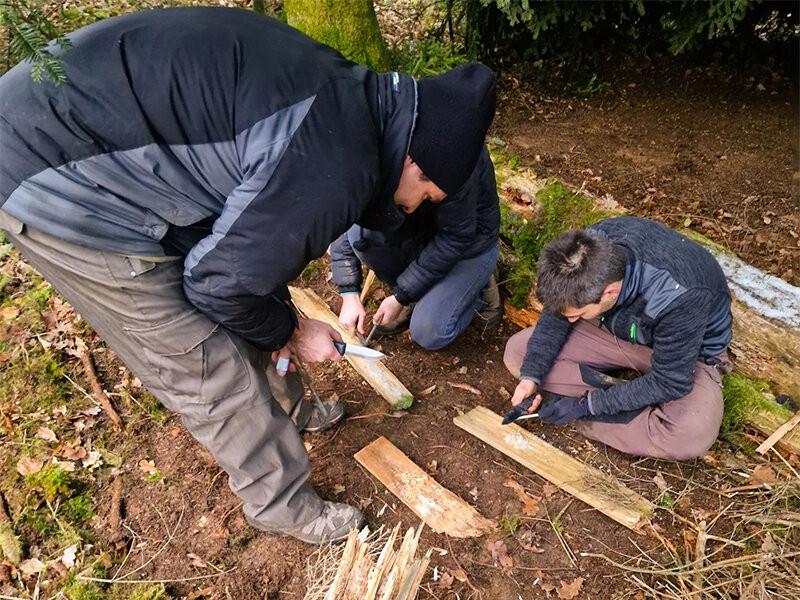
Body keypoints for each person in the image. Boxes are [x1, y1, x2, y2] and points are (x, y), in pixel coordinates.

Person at [0, 7, 496, 543]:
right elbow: (218, 287)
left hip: (113, 147)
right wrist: (293, 331)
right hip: (55, 175)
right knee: (203, 355)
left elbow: (244, 269)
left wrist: (278, 320)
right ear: (415, 163)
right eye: (427, 195)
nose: (418, 207)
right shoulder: (333, 161)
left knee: (250, 280)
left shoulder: (350, 100)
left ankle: (296, 409)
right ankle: (281, 505)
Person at [503, 216, 733, 460]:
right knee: (518, 354)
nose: (569, 319)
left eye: (576, 315)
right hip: (618, 329)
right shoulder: (587, 246)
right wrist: (531, 376)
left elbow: (671, 382)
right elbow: (558, 313)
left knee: (686, 436)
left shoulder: (679, 295)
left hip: (688, 352)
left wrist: (586, 406)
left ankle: (600, 405)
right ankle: (630, 399)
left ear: (609, 291)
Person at [331, 143, 502, 350]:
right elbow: (348, 215)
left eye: (427, 197)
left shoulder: (454, 165)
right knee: (362, 237)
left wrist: (401, 295)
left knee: (429, 332)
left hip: (469, 245)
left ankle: (479, 287)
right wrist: (348, 293)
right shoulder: (380, 145)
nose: (412, 205)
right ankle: (419, 294)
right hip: (425, 233)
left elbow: (455, 238)